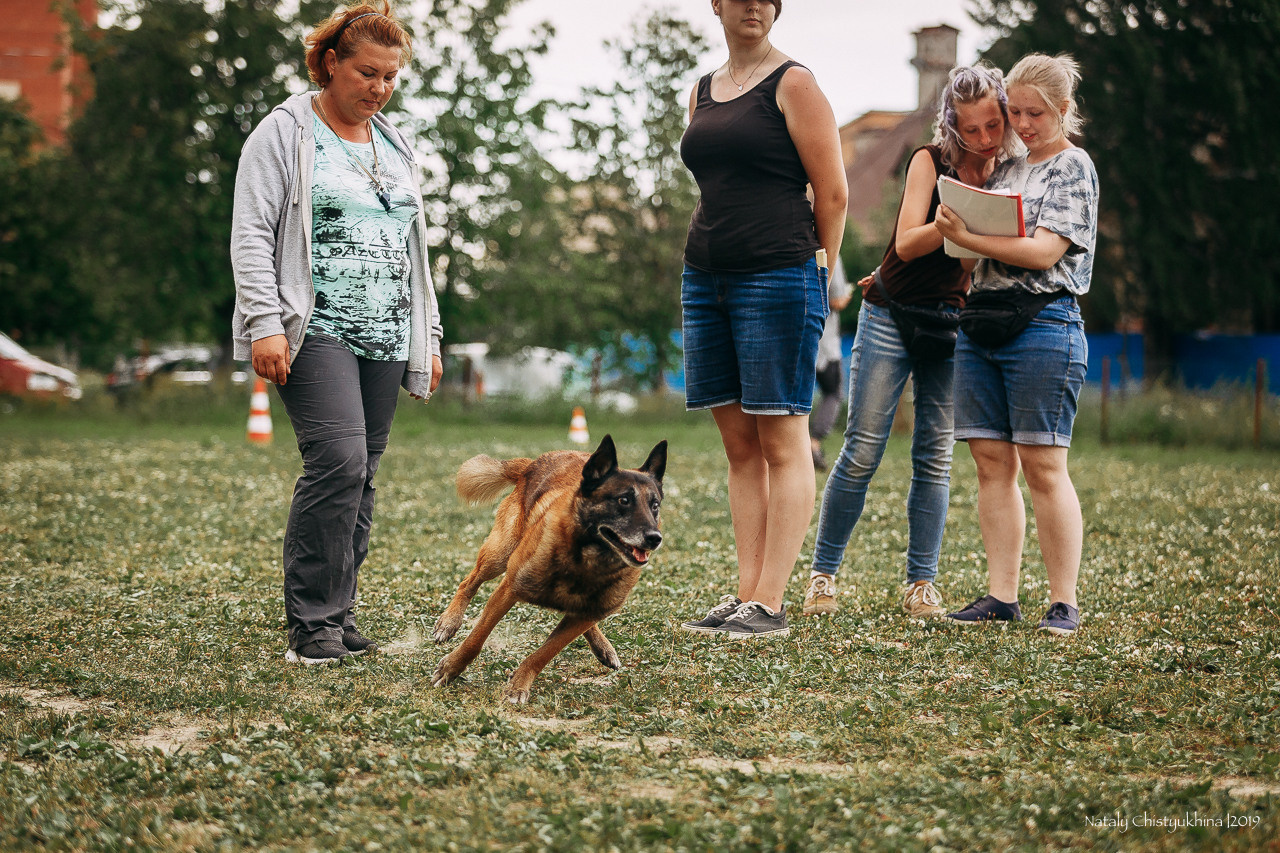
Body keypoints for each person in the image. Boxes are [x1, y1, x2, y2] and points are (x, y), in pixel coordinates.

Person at [231, 2, 443, 665]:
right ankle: (313, 626)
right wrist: (264, 321)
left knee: (363, 475)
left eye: (390, 76)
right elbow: (251, 231)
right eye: (366, 73)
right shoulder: (285, 132)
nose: (379, 88)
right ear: (329, 63)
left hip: (387, 329)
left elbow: (414, 249)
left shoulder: (395, 142)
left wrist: (429, 336)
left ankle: (339, 614)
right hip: (314, 328)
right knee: (339, 463)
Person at [802, 65, 1019, 619]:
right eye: (971, 129)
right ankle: (822, 575)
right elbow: (906, 242)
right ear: (953, 126)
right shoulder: (930, 159)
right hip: (890, 313)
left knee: (935, 458)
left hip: (950, 323)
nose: (984, 139)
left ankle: (921, 583)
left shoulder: (1011, 174)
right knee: (862, 450)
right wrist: (958, 227)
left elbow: (972, 264)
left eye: (993, 125)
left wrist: (971, 237)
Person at [677, 0, 848, 639]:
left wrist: (821, 272)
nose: (754, 4)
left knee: (782, 438)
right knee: (739, 446)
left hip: (779, 273)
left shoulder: (794, 83)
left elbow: (833, 193)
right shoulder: (701, 91)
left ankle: (770, 602)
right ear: (716, 5)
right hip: (705, 275)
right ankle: (745, 593)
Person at [934, 53, 1097, 636]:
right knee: (990, 463)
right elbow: (974, 259)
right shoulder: (1005, 169)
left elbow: (1045, 253)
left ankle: (1063, 602)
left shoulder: (1073, 166)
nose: (1023, 125)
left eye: (1036, 113)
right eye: (1016, 113)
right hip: (982, 325)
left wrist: (970, 235)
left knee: (1044, 466)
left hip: (1045, 324)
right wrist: (958, 237)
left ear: (1063, 109)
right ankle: (1002, 596)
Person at [809, 255, 852, 472]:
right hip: (823, 341)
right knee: (833, 393)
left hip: (790, 337)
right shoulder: (829, 251)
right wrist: (848, 294)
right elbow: (837, 300)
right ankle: (813, 442)